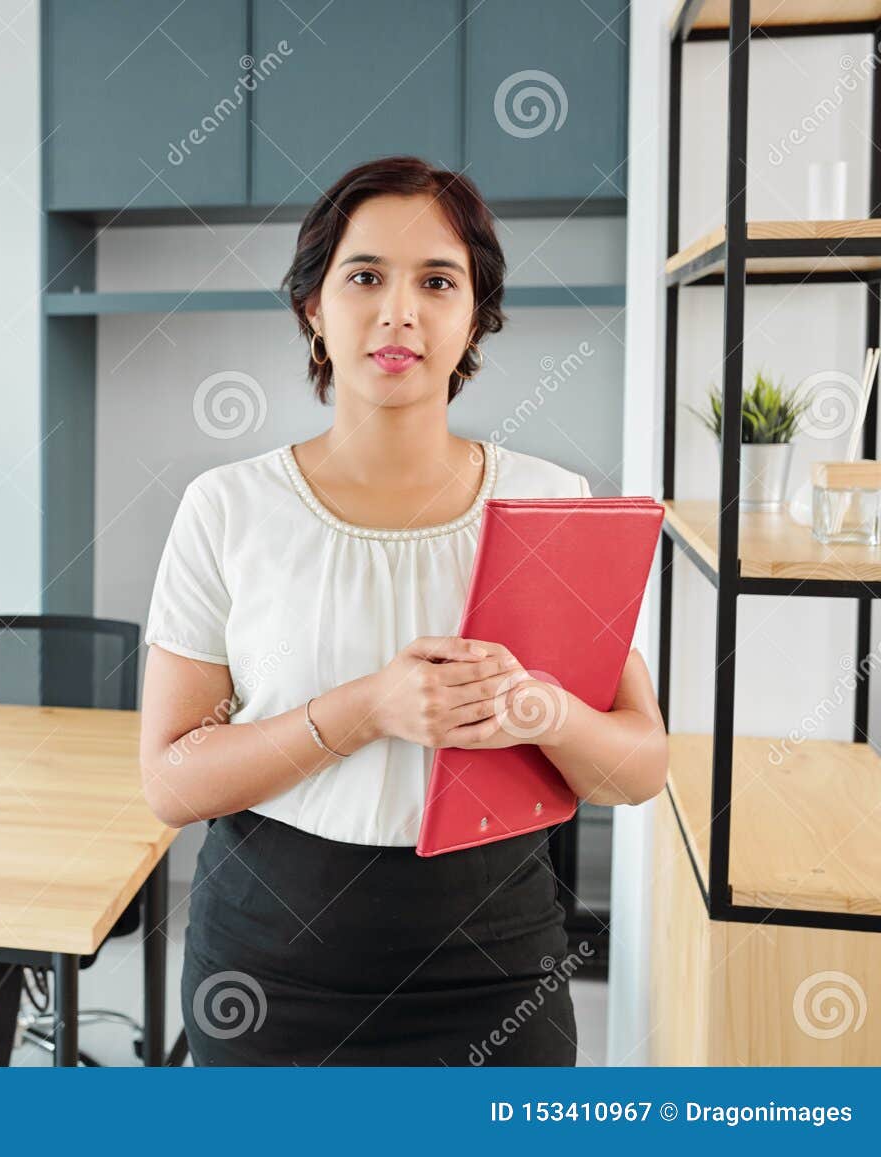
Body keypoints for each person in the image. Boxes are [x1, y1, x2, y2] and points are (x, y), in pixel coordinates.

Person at [138, 155, 669, 1067]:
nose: (400, 311)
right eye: (364, 276)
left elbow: (638, 767)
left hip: (496, 965)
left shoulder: (552, 504)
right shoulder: (225, 506)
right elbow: (172, 783)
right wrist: (369, 708)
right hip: (271, 970)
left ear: (474, 319)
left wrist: (543, 709)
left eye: (437, 281)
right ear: (314, 309)